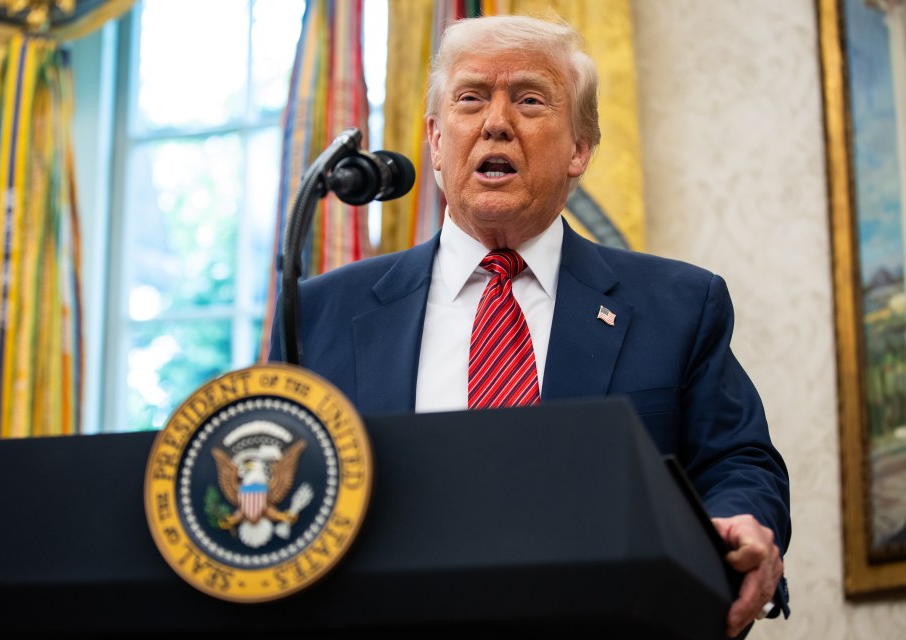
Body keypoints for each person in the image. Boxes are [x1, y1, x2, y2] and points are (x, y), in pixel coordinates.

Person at [269, 14, 789, 638]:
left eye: (529, 99)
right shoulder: (323, 313)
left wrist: (739, 520)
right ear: (435, 141)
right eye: (469, 99)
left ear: (579, 148)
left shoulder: (678, 305)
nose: (494, 122)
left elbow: (738, 460)